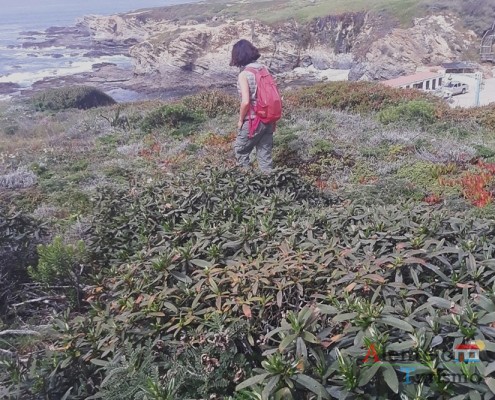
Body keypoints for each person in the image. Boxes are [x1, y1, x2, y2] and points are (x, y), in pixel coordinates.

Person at [230, 39, 275, 173]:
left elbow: (245, 101)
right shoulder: (264, 69)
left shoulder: (244, 74)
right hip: (269, 119)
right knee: (265, 157)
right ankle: (269, 187)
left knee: (241, 151)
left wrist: (240, 120)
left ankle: (249, 184)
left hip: (253, 121)